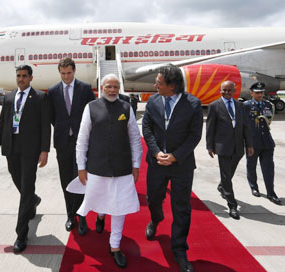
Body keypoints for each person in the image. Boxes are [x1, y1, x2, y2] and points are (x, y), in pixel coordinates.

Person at [76, 74, 142, 269]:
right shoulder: (91, 108)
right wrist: (81, 166)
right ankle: (101, 215)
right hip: (97, 167)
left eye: (116, 86)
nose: (112, 90)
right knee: (101, 201)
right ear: (101, 87)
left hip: (122, 168)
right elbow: (82, 140)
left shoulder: (126, 107)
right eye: (108, 87)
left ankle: (115, 246)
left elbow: (134, 139)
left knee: (119, 206)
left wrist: (136, 164)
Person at [142, 65, 203, 272]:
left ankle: (179, 249)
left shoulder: (193, 104)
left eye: (159, 82)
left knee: (182, 208)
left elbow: (194, 136)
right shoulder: (152, 101)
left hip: (182, 165)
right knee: (153, 198)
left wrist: (176, 156)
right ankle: (156, 218)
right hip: (157, 162)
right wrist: (156, 152)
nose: (155, 85)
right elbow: (147, 129)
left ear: (172, 86)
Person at [0, 65, 51, 253]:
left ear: (31, 78)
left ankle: (21, 234)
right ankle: (33, 200)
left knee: (26, 186)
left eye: (25, 76)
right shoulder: (9, 97)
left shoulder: (40, 97)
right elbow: (2, 122)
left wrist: (44, 150)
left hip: (30, 150)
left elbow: (45, 126)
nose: (21, 79)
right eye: (18, 76)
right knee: (18, 180)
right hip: (11, 147)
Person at [48, 57, 95, 235]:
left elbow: (92, 113)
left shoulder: (84, 89)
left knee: (81, 179)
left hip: (81, 143)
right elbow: (53, 117)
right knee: (66, 180)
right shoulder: (52, 91)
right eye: (63, 73)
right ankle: (70, 215)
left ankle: (81, 216)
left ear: (74, 71)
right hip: (62, 143)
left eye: (68, 73)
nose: (66, 76)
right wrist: (64, 129)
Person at [206, 80, 254, 220]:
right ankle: (232, 205)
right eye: (224, 90)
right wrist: (210, 146)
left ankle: (222, 186)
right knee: (226, 175)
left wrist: (249, 145)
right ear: (220, 91)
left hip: (238, 146)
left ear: (234, 91)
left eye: (229, 90)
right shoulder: (214, 106)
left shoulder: (240, 106)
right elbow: (210, 128)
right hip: (222, 146)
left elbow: (246, 127)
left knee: (229, 172)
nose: (226, 93)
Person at [244, 82, 281, 205]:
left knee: (269, 169)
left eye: (262, 92)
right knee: (251, 165)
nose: (260, 94)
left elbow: (267, 122)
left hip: (267, 143)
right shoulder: (246, 106)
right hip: (253, 142)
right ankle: (254, 187)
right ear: (251, 93)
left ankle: (271, 192)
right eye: (257, 92)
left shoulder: (268, 105)